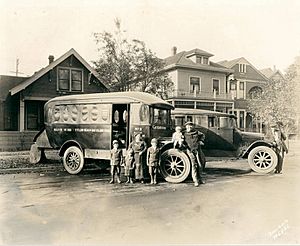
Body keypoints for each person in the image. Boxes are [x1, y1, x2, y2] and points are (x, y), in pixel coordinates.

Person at [183, 121, 206, 187]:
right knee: (194, 165)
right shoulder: (184, 133)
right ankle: (195, 180)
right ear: (186, 126)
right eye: (188, 126)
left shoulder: (196, 132)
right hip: (190, 151)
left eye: (190, 126)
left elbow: (203, 135)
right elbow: (180, 138)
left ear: (192, 126)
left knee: (200, 164)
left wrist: (201, 140)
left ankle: (200, 179)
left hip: (198, 150)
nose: (189, 127)